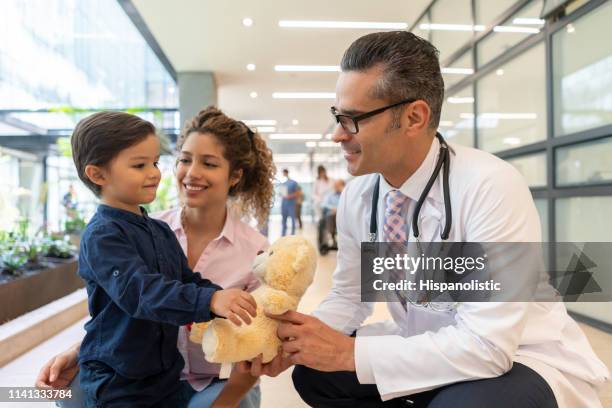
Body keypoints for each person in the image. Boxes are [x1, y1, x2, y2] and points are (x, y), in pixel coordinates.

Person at [246, 31, 610, 407]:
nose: (338, 134)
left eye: (353, 119)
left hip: (522, 355)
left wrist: (345, 353)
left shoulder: (490, 186)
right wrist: (291, 343)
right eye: (337, 116)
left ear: (414, 117)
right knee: (315, 375)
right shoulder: (359, 196)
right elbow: (350, 297)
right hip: (426, 343)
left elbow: (488, 345)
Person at [37, 107, 277, 407]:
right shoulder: (104, 235)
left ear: (235, 175)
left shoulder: (162, 231)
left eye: (154, 163)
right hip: (121, 380)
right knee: (70, 395)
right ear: (97, 174)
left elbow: (190, 282)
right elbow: (139, 292)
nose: (155, 173)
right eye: (184, 160)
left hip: (180, 378)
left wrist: (218, 297)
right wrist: (211, 301)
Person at [318, 179, 345, 251]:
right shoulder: (330, 195)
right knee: (326, 219)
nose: (335, 187)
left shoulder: (346, 195)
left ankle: (334, 237)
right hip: (331, 215)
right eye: (335, 185)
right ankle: (328, 241)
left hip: (344, 216)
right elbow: (323, 204)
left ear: (342, 186)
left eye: (338, 185)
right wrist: (333, 208)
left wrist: (339, 210)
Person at [279, 169, 299, 236]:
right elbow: (282, 194)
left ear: (287, 173)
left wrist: (289, 196)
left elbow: (297, 193)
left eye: (284, 173)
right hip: (284, 204)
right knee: (283, 220)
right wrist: (281, 194)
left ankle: (293, 234)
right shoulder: (283, 183)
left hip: (291, 204)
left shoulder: (293, 183)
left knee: (293, 219)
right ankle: (283, 235)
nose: (284, 174)